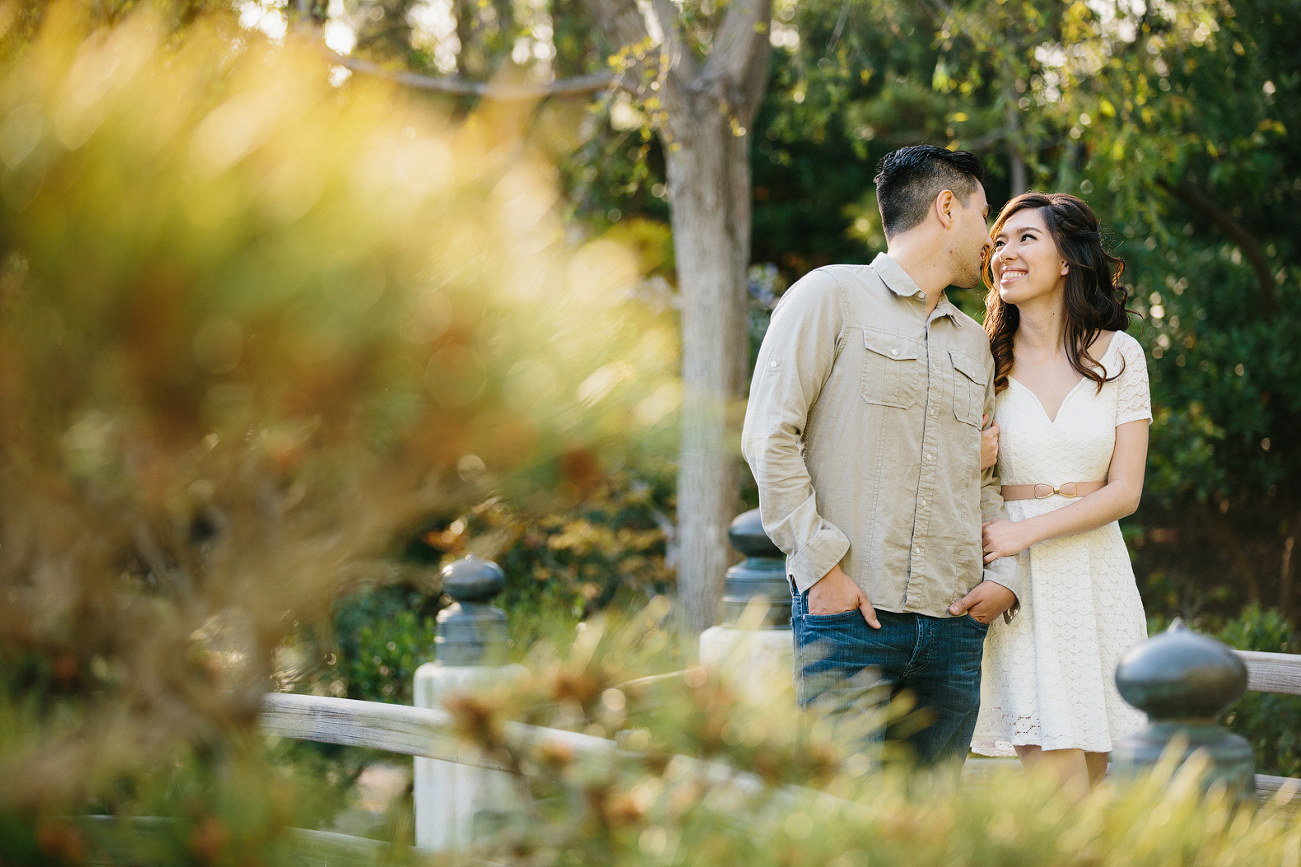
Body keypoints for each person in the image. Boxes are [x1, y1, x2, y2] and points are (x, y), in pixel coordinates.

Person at [741, 145, 1021, 767]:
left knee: (928, 838)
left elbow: (985, 479)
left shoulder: (975, 345)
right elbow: (769, 437)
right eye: (984, 215)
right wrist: (820, 568)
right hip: (849, 619)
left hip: (952, 629)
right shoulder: (829, 296)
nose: (991, 238)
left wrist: (1002, 579)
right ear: (947, 208)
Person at [968, 193, 1150, 794]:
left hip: (1095, 576)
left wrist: (1029, 527)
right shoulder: (980, 359)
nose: (1006, 254)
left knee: (1093, 784)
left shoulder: (1122, 355)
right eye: (998, 242)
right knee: (1059, 785)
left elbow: (1125, 491)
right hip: (1016, 581)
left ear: (1068, 259)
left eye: (1025, 239)